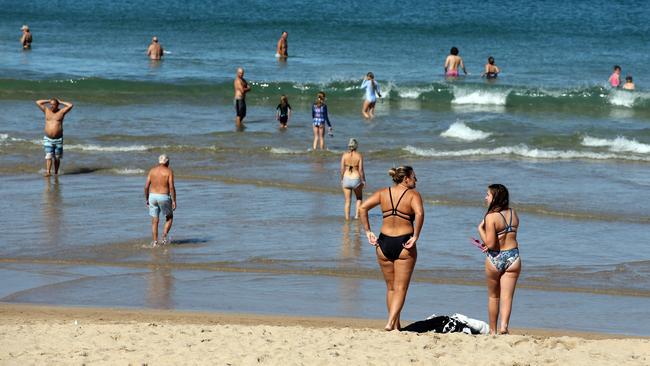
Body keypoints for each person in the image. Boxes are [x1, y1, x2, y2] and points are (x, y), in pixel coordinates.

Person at [359, 166, 424, 331]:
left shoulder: (383, 192)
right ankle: (390, 322)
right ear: (406, 179)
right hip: (404, 244)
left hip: (383, 243)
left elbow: (362, 208)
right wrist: (416, 236)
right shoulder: (413, 195)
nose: (416, 180)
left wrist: (368, 232)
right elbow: (420, 214)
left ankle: (395, 325)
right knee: (401, 288)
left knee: (391, 288)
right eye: (414, 177)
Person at [476, 184, 521, 335]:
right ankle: (504, 327)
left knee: (493, 297)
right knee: (507, 297)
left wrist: (480, 229)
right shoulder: (513, 213)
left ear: (494, 197)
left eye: (488, 195)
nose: (485, 197)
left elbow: (491, 244)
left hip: (496, 258)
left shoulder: (491, 217)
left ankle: (493, 330)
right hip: (513, 257)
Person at [35, 98, 74, 176]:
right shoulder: (46, 110)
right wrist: (48, 100)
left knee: (57, 157)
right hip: (48, 138)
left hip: (58, 139)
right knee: (48, 156)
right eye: (51, 104)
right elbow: (38, 102)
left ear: (57, 105)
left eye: (54, 104)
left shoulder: (61, 112)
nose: (52, 106)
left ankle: (56, 173)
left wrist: (61, 101)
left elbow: (70, 105)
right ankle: (48, 172)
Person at [144, 154, 177, 246]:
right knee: (169, 217)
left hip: (152, 196)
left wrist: (147, 199)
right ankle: (163, 237)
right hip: (163, 196)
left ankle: (155, 242)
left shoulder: (152, 171)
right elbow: (171, 187)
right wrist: (174, 200)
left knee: (155, 220)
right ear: (166, 162)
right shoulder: (169, 171)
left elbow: (146, 187)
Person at [340, 138, 366, 220]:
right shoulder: (359, 156)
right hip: (356, 178)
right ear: (356, 146)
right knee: (359, 198)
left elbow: (342, 169)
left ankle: (347, 219)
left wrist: (342, 179)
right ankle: (357, 216)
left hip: (346, 178)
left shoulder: (344, 155)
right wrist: (363, 180)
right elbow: (361, 170)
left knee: (347, 201)